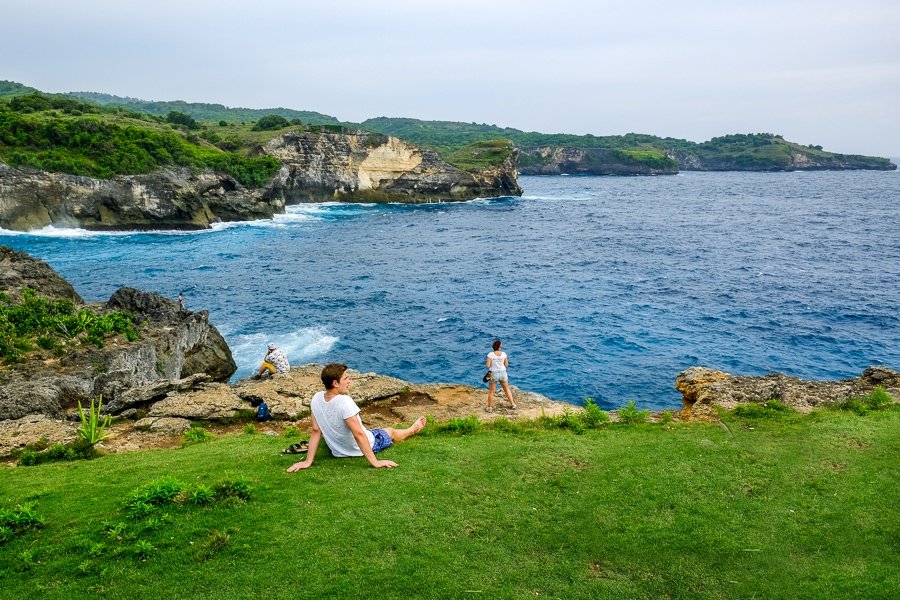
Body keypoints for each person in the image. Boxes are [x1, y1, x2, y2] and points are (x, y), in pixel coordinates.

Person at [287, 363, 426, 471]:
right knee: (389, 431)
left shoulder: (316, 398)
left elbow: (316, 431)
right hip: (359, 448)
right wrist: (375, 462)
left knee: (368, 429)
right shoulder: (345, 402)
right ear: (335, 383)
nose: (349, 381)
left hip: (337, 451)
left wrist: (307, 461)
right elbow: (359, 434)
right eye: (346, 378)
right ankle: (412, 430)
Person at [486, 338, 516, 412]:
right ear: (499, 346)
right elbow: (506, 365)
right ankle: (513, 404)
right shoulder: (504, 354)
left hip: (493, 373)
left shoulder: (490, 355)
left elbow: (487, 366)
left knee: (491, 392)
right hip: (503, 373)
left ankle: (489, 408)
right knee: (506, 389)